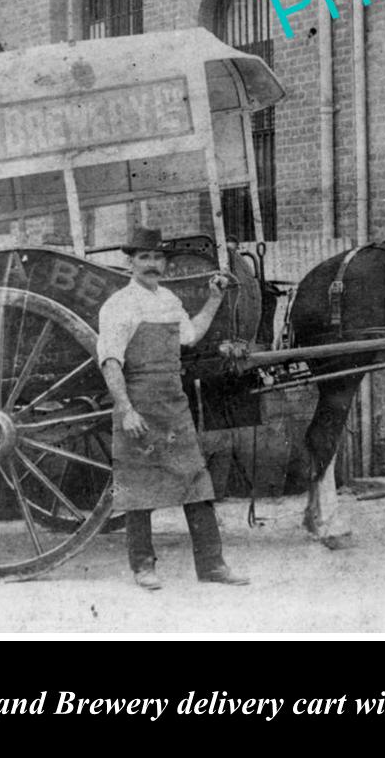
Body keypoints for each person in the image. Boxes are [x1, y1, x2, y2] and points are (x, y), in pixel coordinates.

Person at [96, 227, 249, 590]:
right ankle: (143, 567)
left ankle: (212, 566)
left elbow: (190, 335)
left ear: (165, 263)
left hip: (172, 403)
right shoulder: (119, 305)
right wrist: (127, 409)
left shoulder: (168, 300)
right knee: (137, 486)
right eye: (144, 258)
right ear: (130, 262)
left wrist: (213, 299)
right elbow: (110, 361)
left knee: (196, 481)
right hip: (138, 403)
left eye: (157, 258)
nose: (152, 264)